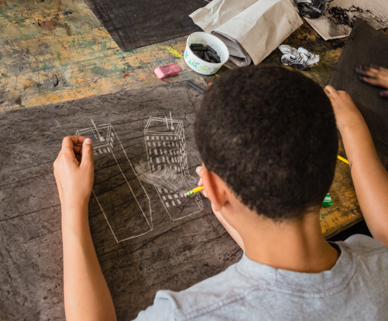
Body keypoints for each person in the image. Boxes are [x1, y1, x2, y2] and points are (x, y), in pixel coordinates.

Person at [53, 66, 388, 321]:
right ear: (330, 171)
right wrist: (354, 127)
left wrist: (72, 202)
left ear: (211, 189)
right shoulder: (379, 264)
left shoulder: (187, 314)